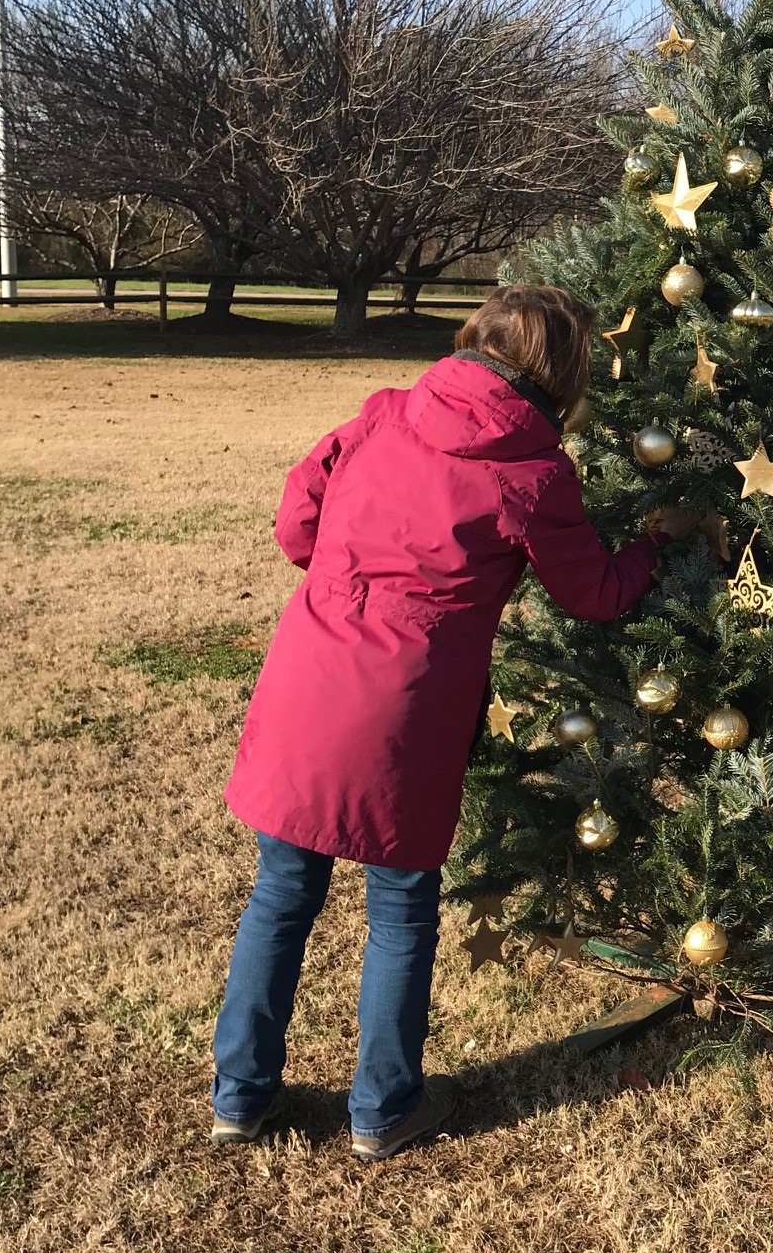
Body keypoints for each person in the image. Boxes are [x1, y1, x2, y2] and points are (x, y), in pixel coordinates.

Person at [212, 284, 694, 1160]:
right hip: (409, 705)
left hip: (310, 672)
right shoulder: (534, 469)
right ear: (565, 371)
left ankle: (240, 1096)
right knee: (400, 906)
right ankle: (384, 1109)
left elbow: (295, 526)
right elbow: (592, 595)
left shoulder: (384, 414)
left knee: (281, 893)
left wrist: (349, 577)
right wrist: (660, 544)